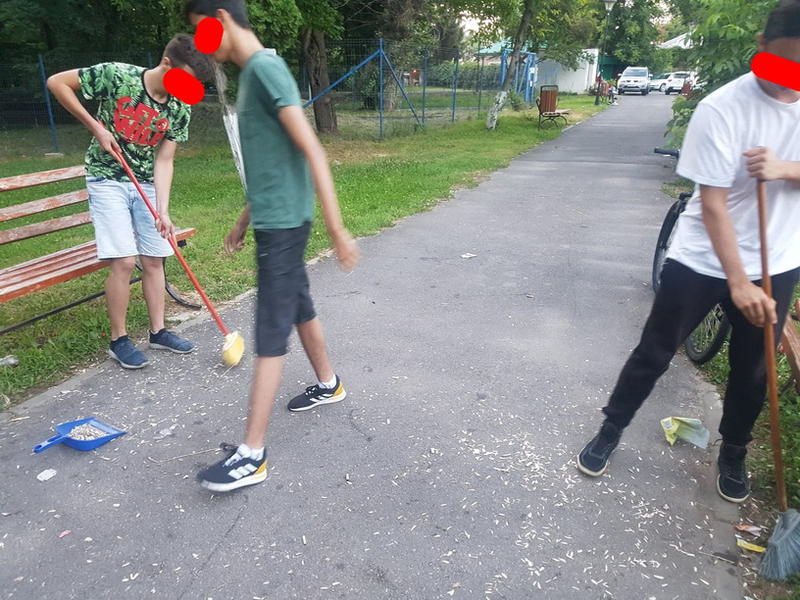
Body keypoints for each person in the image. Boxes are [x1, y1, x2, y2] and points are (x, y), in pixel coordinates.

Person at [576, 2, 800, 504]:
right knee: (655, 350)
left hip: (779, 257)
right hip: (704, 256)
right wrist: (739, 282)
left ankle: (734, 451)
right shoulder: (722, 108)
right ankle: (611, 429)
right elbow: (715, 203)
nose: (791, 84)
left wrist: (786, 169)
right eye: (783, 67)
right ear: (762, 50)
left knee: (753, 368)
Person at [184, 0, 360, 492]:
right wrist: (245, 218)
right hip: (273, 220)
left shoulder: (264, 70)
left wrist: (338, 228)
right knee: (299, 307)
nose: (200, 46)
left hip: (284, 228)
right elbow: (273, 162)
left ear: (220, 19)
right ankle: (329, 384)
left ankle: (251, 455)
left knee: (269, 332)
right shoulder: (252, 76)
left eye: (201, 33)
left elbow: (311, 148)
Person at [47, 36, 213, 369]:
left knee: (155, 258)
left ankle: (158, 332)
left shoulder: (180, 107)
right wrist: (96, 127)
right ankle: (119, 340)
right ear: (166, 64)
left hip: (146, 183)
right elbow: (57, 82)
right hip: (106, 177)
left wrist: (163, 210)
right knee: (123, 261)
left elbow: (165, 160)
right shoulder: (118, 75)